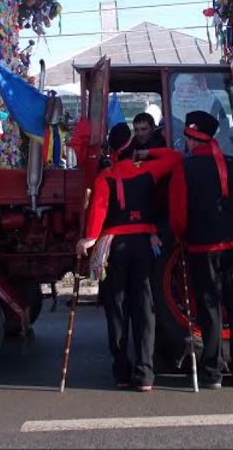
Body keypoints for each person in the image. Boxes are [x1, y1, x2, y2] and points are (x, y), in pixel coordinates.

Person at [77, 124, 182, 392]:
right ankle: (145, 373)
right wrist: (145, 154)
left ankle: (122, 371)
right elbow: (174, 157)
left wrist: (87, 241)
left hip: (116, 246)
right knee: (144, 309)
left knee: (117, 309)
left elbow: (97, 216)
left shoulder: (105, 177)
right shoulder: (147, 170)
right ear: (131, 147)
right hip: (144, 244)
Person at [169, 110, 233, 389]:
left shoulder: (185, 168)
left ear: (193, 139)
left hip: (201, 248)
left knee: (210, 310)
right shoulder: (232, 167)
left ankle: (212, 372)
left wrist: (181, 236)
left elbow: (178, 216)